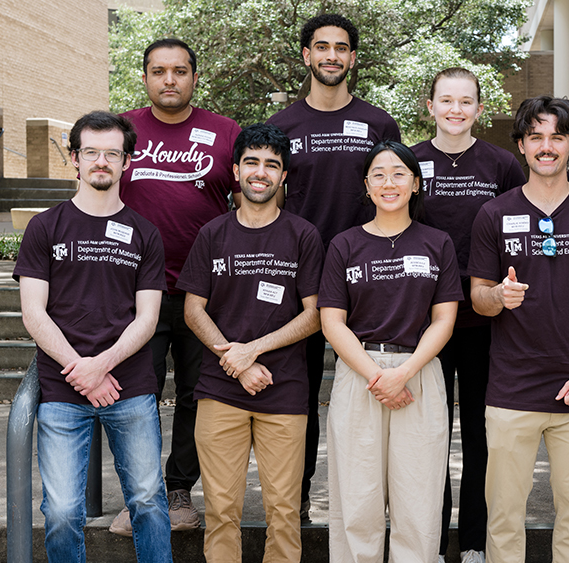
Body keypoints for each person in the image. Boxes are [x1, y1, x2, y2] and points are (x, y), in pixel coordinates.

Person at [468, 96, 569, 563]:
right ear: (521, 145)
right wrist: (498, 296)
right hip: (510, 390)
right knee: (503, 515)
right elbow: (478, 296)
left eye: (557, 137)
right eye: (535, 137)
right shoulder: (493, 215)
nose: (546, 146)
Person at [14, 111, 171, 562]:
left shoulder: (145, 233)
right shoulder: (45, 227)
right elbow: (33, 312)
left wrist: (100, 366)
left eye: (112, 154)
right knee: (62, 510)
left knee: (146, 501)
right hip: (63, 388)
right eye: (91, 153)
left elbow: (147, 318)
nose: (101, 161)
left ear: (127, 162)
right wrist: (82, 370)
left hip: (130, 386)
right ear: (75, 159)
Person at [267, 14, 402, 520]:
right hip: (295, 279)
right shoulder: (282, 125)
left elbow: (393, 192)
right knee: (296, 398)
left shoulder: (377, 123)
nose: (330, 55)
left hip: (365, 274)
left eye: (341, 48)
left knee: (373, 387)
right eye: (321, 47)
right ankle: (295, 502)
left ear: (352, 58)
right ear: (306, 56)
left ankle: (381, 504)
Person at [112, 37, 244, 534]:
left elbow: (252, 203)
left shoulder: (225, 132)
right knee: (136, 397)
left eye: (180, 71)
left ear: (194, 77)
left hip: (203, 294)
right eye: (159, 71)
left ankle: (178, 492)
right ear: (144, 77)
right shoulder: (120, 130)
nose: (170, 79)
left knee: (197, 394)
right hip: (133, 292)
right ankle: (138, 496)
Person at [176, 123, 324, 563]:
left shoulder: (303, 235)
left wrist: (252, 350)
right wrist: (237, 361)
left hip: (286, 391)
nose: (261, 173)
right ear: (237, 169)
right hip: (220, 391)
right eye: (253, 163)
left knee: (283, 511)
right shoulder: (212, 234)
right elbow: (192, 310)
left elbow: (315, 314)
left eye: (272, 165)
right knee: (222, 509)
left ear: (284, 177)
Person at [319, 140, 463, 562]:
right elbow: (332, 321)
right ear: (366, 186)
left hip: (419, 372)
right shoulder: (343, 245)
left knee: (418, 500)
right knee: (357, 499)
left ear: (416, 183)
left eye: (399, 173)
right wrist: (377, 375)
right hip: (358, 372)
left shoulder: (438, 243)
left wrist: (404, 372)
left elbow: (445, 320)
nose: (389, 182)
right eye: (378, 174)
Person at [410, 66, 526, 563]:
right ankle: (432, 544)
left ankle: (475, 542)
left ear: (480, 109)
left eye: (466, 101)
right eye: (446, 100)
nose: (455, 110)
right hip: (422, 321)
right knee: (429, 436)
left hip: (485, 320)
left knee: (481, 436)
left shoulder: (500, 165)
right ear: (430, 106)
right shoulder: (407, 162)